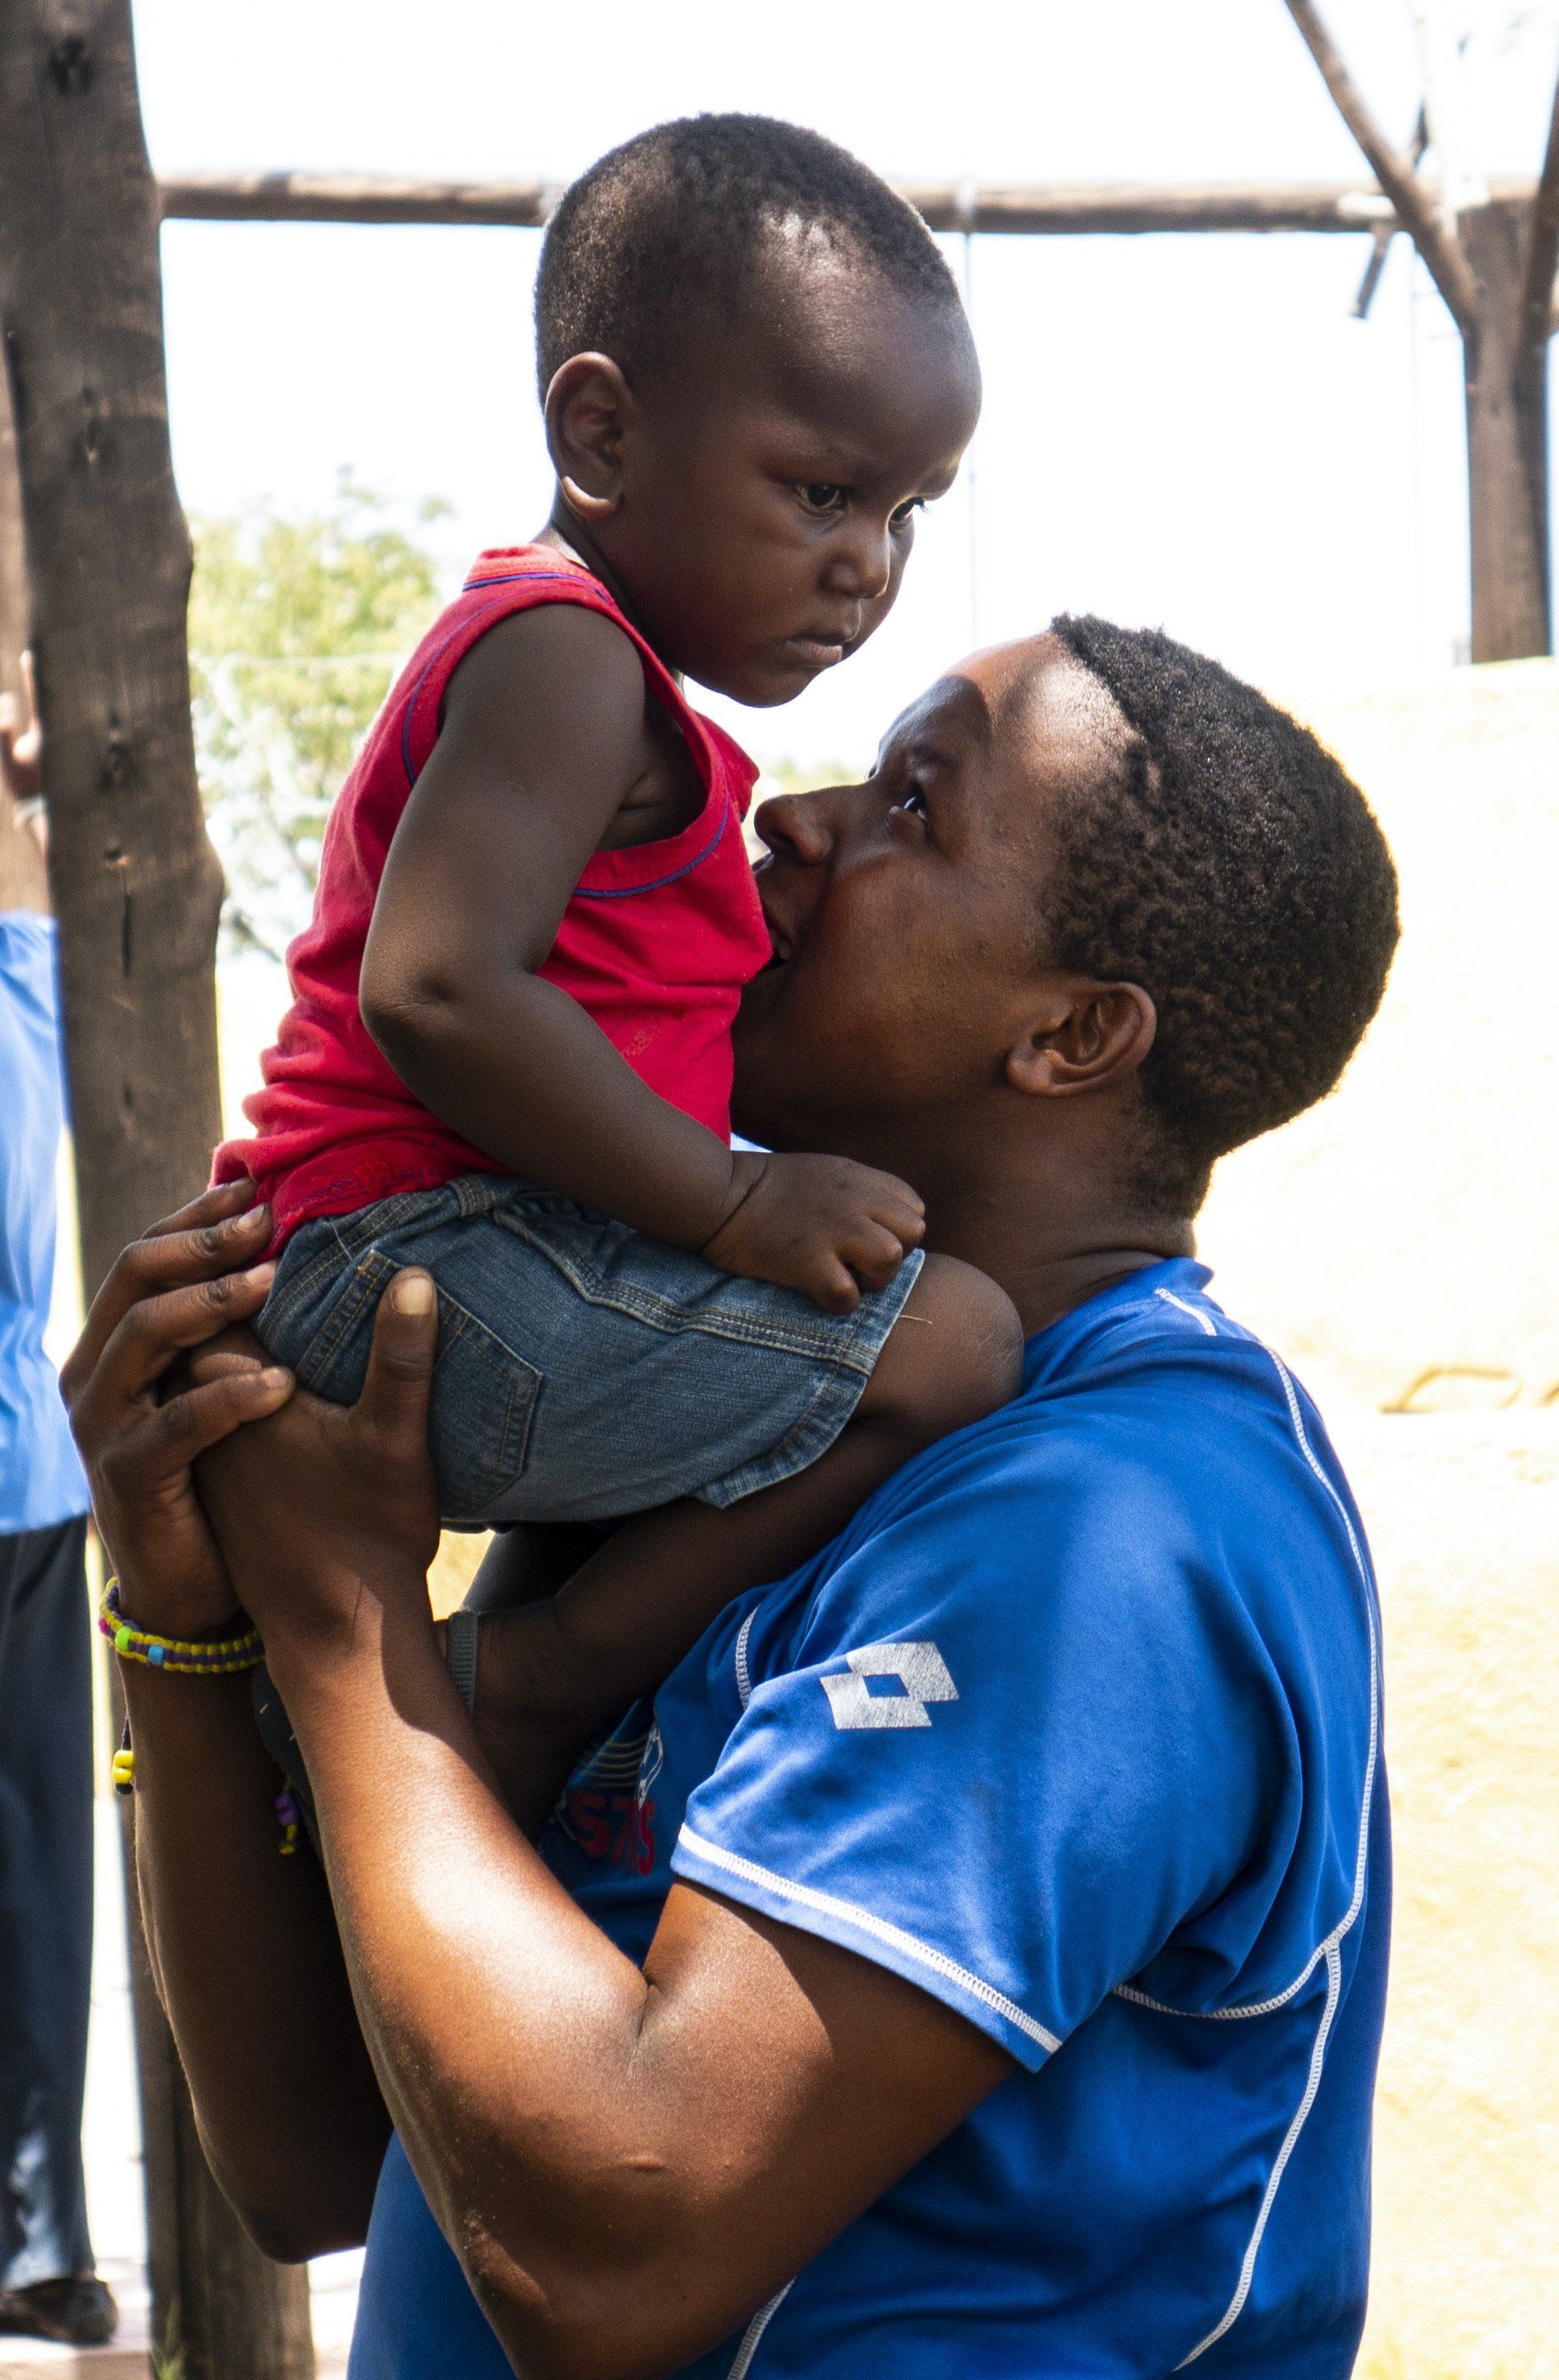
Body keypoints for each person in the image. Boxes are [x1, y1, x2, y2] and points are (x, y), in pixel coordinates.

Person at [70, 621, 1400, 2376]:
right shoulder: (727, 1407)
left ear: (1072, 1034)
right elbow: (320, 2159)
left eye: (915, 808)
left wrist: (343, 1623)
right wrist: (185, 1624)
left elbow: (607, 2259)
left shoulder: (1115, 1526)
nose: (794, 821)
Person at [213, 116, 1013, 1768]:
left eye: (909, 509)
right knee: (955, 1344)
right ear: (600, 431)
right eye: (819, 491)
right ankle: (541, 1673)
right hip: (409, 1264)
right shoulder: (565, 662)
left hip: (437, 1257)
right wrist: (730, 1199)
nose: (867, 564)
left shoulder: (577, 668)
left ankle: (486, 1697)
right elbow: (434, 988)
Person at [0, 659, 116, 2347]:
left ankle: (35, 2226)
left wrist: (26, 806)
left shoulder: (24, 975)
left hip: (24, 1482)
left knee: (35, 1866)